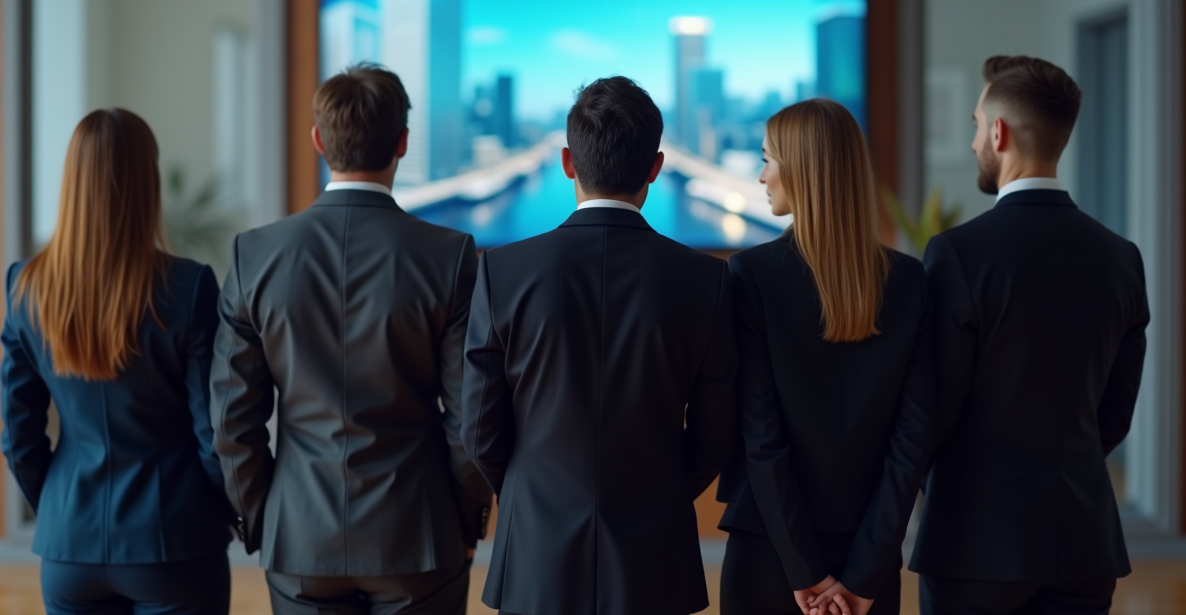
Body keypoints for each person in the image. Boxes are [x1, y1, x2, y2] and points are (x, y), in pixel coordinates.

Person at [210, 63, 492, 615]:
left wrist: (264, 518)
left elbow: (231, 420)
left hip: (299, 538)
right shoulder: (450, 255)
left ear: (319, 140)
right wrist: (464, 519)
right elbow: (470, 416)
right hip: (418, 535)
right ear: (404, 143)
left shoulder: (254, 256)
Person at [461, 76, 737, 615]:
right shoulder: (706, 281)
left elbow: (477, 426)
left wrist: (526, 488)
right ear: (655, 168)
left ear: (568, 162)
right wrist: (662, 488)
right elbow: (716, 431)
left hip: (535, 551)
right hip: (655, 551)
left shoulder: (502, 272)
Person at [911, 56, 1149, 615]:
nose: (973, 143)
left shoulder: (957, 254)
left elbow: (932, 410)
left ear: (999, 131)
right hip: (1085, 543)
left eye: (975, 126)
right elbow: (1114, 415)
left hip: (974, 544)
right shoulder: (1122, 258)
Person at [0, 109, 233, 615]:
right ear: (147, 182)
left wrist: (62, 512)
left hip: (69, 549)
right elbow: (211, 434)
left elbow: (18, 437)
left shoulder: (26, 288)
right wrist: (226, 512)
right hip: (174, 540)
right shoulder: (188, 288)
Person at [717, 99, 933, 615]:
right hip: (869, 557)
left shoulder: (750, 276)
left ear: (802, 171)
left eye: (768, 159)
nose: (762, 175)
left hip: (769, 551)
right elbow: (911, 446)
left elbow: (761, 442)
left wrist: (806, 574)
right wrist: (863, 578)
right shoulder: (910, 282)